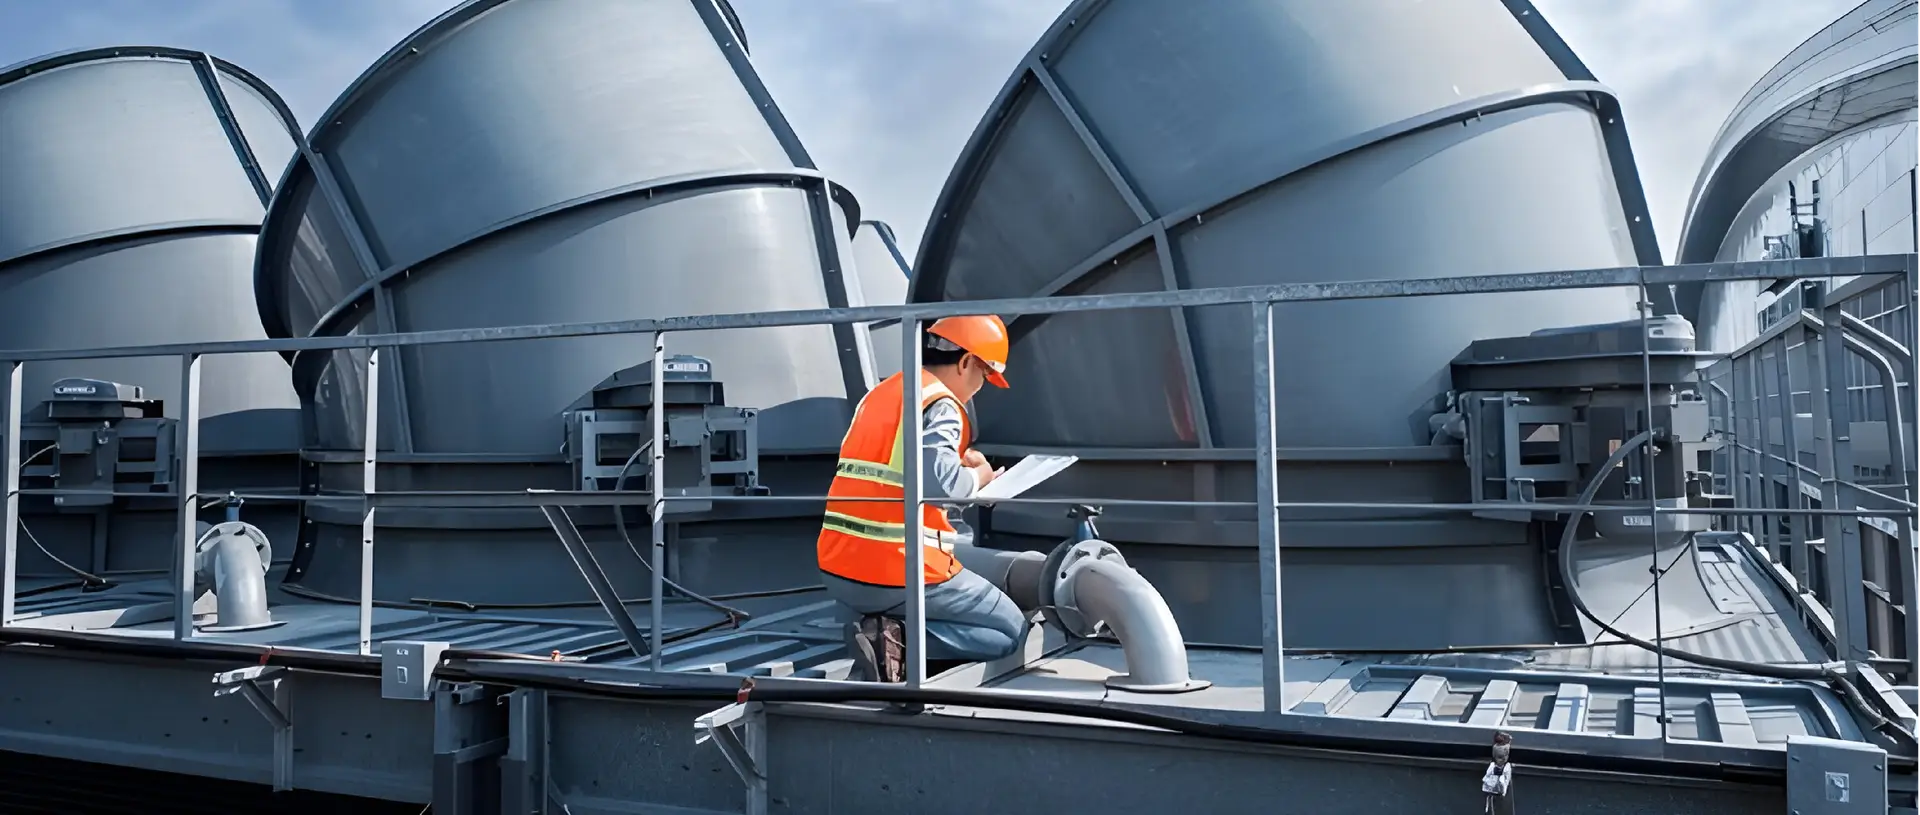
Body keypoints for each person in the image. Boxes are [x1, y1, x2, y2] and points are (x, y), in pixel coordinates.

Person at [816, 314, 1032, 682]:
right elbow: (943, 488)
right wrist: (980, 475)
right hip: (899, 569)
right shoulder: (942, 403)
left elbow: (889, 464)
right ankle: (891, 640)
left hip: (840, 567)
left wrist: (957, 461)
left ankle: (883, 626)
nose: (981, 387)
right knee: (1010, 631)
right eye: (985, 375)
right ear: (966, 363)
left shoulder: (883, 394)